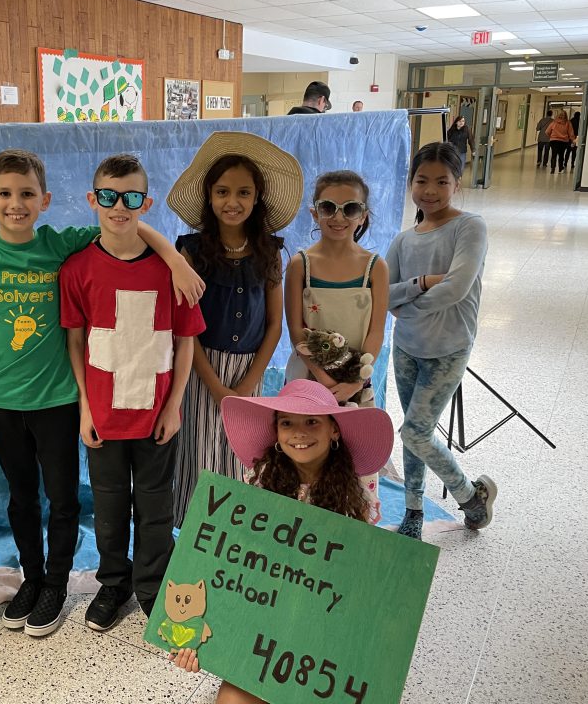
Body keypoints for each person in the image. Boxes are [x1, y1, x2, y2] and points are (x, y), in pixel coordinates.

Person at [0, 150, 204, 639]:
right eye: (4, 194)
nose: (16, 204)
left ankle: (58, 584)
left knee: (64, 500)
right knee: (22, 500)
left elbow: (123, 228)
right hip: (1, 402)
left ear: (45, 200)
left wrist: (172, 257)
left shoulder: (59, 244)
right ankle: (32, 578)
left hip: (59, 401)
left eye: (26, 194)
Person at [168, 378, 394, 703]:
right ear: (276, 432)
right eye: (287, 423)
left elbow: (358, 577)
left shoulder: (355, 494)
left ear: (334, 430)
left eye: (312, 421)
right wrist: (197, 637)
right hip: (265, 618)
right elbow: (231, 561)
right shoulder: (258, 481)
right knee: (231, 700)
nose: (299, 433)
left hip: (323, 629)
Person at [60, 154, 206, 632]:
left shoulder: (171, 271)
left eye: (130, 197)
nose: (118, 206)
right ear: (92, 200)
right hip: (103, 414)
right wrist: (85, 407)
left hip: (155, 415)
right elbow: (77, 341)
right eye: (107, 196)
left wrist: (175, 406)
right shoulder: (78, 268)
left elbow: (185, 342)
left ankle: (152, 584)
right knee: (108, 507)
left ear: (146, 202)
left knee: (155, 506)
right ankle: (113, 583)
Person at [166, 132, 302, 527]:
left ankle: (235, 536)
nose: (233, 202)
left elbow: (275, 324)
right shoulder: (190, 250)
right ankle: (195, 535)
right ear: (209, 196)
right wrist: (213, 384)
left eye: (243, 192)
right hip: (200, 367)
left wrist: (246, 385)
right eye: (223, 192)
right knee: (199, 452)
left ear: (257, 197)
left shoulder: (270, 251)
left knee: (242, 453)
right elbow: (184, 327)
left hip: (249, 373)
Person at [386, 142, 497, 540]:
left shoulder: (470, 227)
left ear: (457, 183)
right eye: (421, 180)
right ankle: (413, 509)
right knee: (413, 431)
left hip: (449, 348)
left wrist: (408, 303)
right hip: (406, 348)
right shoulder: (403, 240)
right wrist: (417, 285)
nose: (429, 190)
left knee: (415, 432)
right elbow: (384, 292)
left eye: (441, 181)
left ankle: (470, 495)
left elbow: (457, 288)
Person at [284, 170, 388, 522]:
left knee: (355, 467)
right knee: (304, 463)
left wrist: (356, 381)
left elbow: (376, 332)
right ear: (314, 213)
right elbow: (297, 331)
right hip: (307, 382)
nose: (339, 217)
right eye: (329, 207)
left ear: (364, 214)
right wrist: (324, 379)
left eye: (350, 208)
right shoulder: (301, 264)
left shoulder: (375, 267)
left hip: (357, 382)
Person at [546, 109, 576, 174]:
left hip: (554, 141)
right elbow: (571, 133)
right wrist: (573, 140)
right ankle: (560, 168)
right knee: (561, 155)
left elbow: (547, 132)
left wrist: (551, 137)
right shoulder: (568, 123)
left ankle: (553, 168)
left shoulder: (554, 123)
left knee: (554, 155)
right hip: (563, 141)